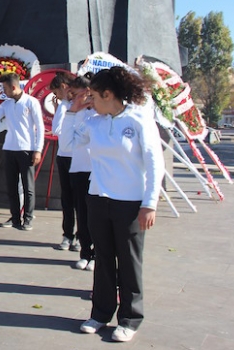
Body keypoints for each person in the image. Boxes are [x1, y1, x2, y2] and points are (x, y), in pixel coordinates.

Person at [59, 67, 165, 342]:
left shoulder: (139, 119)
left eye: (93, 95)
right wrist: (74, 110)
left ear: (109, 94)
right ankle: (101, 312)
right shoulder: (94, 122)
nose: (90, 100)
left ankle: (130, 318)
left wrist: (149, 203)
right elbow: (68, 144)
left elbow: (155, 163)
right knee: (104, 259)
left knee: (129, 262)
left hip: (130, 203)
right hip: (98, 199)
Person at [0, 73, 44, 230]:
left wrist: (37, 150)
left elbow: (40, 127)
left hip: (26, 149)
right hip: (10, 148)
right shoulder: (6, 104)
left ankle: (28, 218)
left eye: (5, 88)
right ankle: (15, 218)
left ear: (13, 86)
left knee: (28, 186)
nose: (4, 91)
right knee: (11, 186)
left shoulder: (31, 102)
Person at [65, 74, 96, 271]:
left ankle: (96, 254)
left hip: (95, 171)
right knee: (82, 216)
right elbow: (67, 144)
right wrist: (73, 112)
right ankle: (85, 252)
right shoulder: (74, 112)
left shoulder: (99, 113)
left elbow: (88, 136)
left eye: (76, 94)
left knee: (95, 217)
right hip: (78, 168)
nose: (73, 98)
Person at [50, 72, 80, 251]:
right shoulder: (63, 105)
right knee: (67, 198)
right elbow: (56, 129)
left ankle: (77, 235)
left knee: (79, 200)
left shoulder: (78, 105)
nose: (56, 97)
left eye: (56, 92)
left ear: (64, 87)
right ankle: (68, 234)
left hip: (78, 157)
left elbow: (58, 129)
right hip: (65, 156)